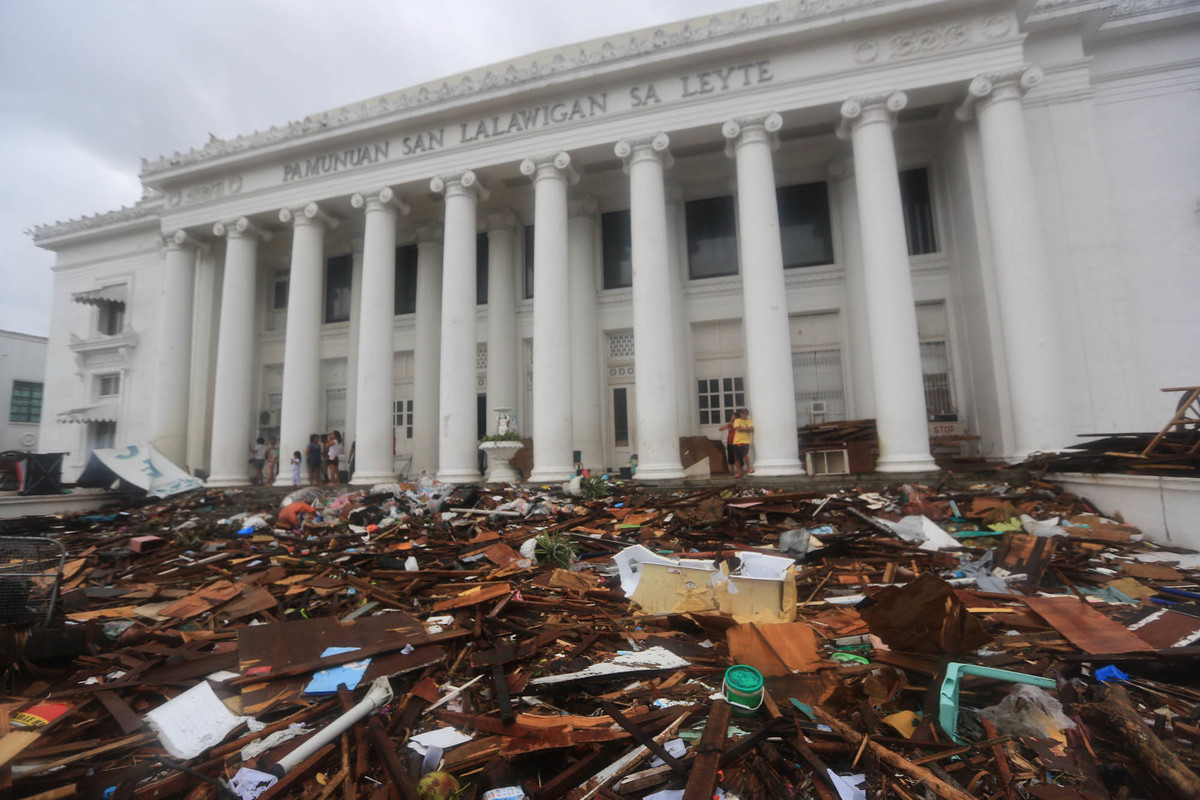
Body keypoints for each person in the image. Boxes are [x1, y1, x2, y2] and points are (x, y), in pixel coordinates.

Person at [732, 408, 755, 478]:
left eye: (745, 413)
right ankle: (739, 472)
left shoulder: (750, 421)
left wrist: (743, 429)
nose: (743, 415)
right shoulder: (737, 420)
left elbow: (752, 429)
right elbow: (738, 429)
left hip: (746, 441)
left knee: (745, 455)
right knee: (737, 458)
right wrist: (747, 429)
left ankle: (748, 468)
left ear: (747, 414)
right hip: (737, 441)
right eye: (742, 413)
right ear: (740, 414)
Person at [718, 411, 737, 476]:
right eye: (731, 416)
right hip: (729, 442)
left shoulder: (738, 424)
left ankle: (739, 470)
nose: (732, 417)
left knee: (737, 457)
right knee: (731, 457)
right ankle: (732, 471)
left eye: (733, 416)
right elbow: (720, 429)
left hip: (736, 442)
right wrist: (729, 423)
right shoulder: (729, 424)